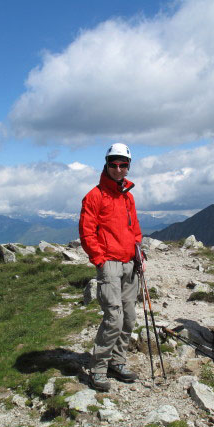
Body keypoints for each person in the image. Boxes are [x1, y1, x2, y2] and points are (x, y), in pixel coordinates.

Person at [79, 143, 143, 391]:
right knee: (113, 318)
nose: (118, 169)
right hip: (109, 265)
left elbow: (134, 228)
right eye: (113, 164)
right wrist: (100, 260)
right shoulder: (94, 196)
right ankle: (98, 369)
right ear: (106, 165)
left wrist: (138, 250)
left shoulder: (128, 196)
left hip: (130, 263)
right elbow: (86, 232)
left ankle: (117, 362)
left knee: (128, 318)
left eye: (123, 165)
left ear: (128, 166)